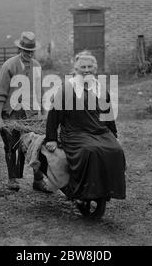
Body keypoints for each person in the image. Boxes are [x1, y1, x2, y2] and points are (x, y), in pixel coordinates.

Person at [45, 51, 126, 201]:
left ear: (95, 69)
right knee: (90, 151)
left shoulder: (100, 88)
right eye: (83, 67)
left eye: (90, 66)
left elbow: (108, 114)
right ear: (76, 69)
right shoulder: (67, 89)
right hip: (74, 133)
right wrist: (51, 139)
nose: (87, 70)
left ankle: (106, 189)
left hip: (99, 131)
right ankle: (84, 191)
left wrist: (113, 134)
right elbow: (53, 115)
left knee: (116, 150)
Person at [0, 31, 51, 192]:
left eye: (31, 51)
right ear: (20, 49)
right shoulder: (9, 66)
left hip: (31, 113)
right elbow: (1, 93)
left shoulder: (37, 66)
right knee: (11, 146)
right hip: (11, 113)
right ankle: (12, 179)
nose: (28, 54)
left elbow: (39, 91)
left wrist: (42, 111)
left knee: (37, 144)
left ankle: (38, 180)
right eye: (25, 50)